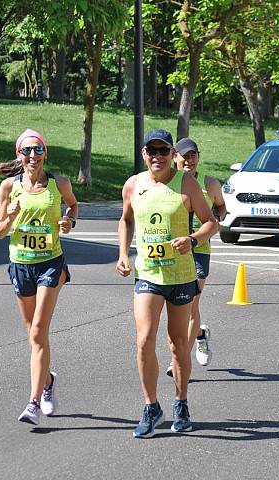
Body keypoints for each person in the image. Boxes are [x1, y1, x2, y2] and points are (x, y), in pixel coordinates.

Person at [116, 129, 218, 438]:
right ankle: (151, 406)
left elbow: (211, 222)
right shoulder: (133, 185)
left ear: (172, 153)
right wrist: (123, 253)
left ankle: (181, 402)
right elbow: (126, 219)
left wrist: (192, 238)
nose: (157, 156)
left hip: (181, 276)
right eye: (152, 150)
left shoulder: (187, 184)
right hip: (148, 274)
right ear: (144, 154)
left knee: (177, 343)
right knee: (144, 340)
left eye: (163, 150)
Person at [0, 129, 78, 425]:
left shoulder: (59, 184)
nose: (33, 156)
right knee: (33, 333)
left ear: (45, 154)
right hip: (20, 264)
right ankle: (47, 382)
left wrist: (69, 220)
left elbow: (73, 205)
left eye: (38, 150)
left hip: (50, 264)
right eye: (27, 151)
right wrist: (12, 215)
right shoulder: (9, 187)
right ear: (19, 155)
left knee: (38, 329)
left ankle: (32, 403)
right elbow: (0, 232)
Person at [164, 137, 225, 376]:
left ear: (198, 157)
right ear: (175, 157)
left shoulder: (209, 183)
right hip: (174, 250)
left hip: (199, 249)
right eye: (184, 156)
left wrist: (214, 221)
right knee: (182, 307)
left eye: (193, 156)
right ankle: (200, 334)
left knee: (191, 304)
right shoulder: (168, 183)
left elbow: (220, 205)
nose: (189, 161)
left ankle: (179, 360)